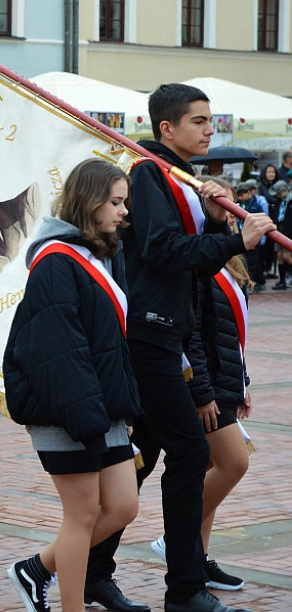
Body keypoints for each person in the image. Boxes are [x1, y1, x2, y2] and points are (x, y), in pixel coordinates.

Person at [85, 84, 270, 612]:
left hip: (166, 333)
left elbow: (191, 268)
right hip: (151, 337)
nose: (209, 129)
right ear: (167, 129)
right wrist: (237, 239)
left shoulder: (179, 179)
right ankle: (184, 588)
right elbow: (163, 251)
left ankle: (96, 570)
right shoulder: (149, 174)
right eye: (198, 121)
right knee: (190, 453)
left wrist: (215, 225)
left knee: (143, 460)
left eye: (210, 120)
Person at [3, 159, 140, 612]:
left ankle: (37, 569)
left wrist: (120, 407)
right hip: (63, 409)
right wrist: (90, 422)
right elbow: (57, 353)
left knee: (122, 507)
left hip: (100, 406)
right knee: (81, 516)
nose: (124, 211)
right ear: (90, 201)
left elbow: (109, 344)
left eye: (125, 202)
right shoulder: (56, 262)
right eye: (116, 202)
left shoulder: (102, 255)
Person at [149, 177, 252, 593]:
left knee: (212, 466)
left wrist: (242, 381)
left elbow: (231, 331)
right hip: (200, 382)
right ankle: (179, 540)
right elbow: (191, 334)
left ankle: (198, 555)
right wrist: (202, 392)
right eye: (217, 204)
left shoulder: (230, 258)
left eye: (228, 204)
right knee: (233, 462)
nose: (227, 212)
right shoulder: (198, 263)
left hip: (224, 380)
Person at [266, 180, 291, 289]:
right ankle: (282, 281)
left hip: (289, 231)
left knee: (287, 256)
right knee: (280, 256)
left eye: (280, 193)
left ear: (286, 190)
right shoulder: (278, 201)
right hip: (279, 229)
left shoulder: (290, 201)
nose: (278, 195)